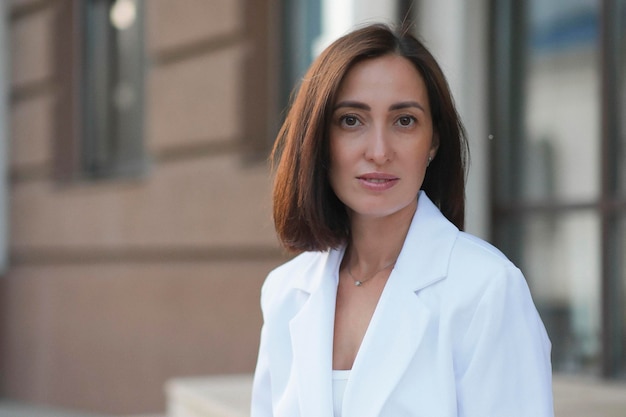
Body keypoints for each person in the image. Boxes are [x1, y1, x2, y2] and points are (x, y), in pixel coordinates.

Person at [251, 23, 554, 417]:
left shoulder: (488, 290)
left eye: (405, 121)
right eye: (351, 121)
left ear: (433, 142)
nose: (379, 151)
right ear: (320, 140)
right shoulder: (285, 293)